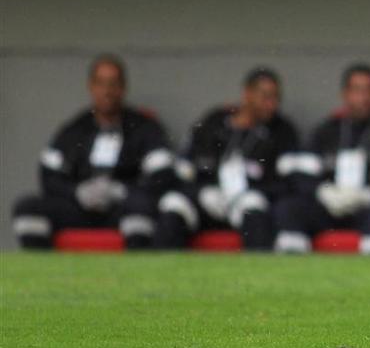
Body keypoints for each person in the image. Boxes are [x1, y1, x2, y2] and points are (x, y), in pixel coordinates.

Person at [12, 55, 175, 249]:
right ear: (90, 86)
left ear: (123, 87)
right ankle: (43, 268)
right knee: (28, 208)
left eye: (113, 84)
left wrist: (121, 191)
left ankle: (135, 268)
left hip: (123, 207)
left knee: (141, 208)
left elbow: (162, 175)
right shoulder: (74, 130)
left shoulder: (144, 128)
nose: (107, 91)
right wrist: (77, 192)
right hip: (79, 208)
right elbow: (49, 175)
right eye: (100, 83)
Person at [273, 64, 370, 255]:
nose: (363, 98)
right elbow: (302, 174)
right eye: (357, 90)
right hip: (331, 206)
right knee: (289, 207)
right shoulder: (328, 130)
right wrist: (323, 192)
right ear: (345, 94)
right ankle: (293, 261)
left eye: (368, 91)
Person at [154, 68, 299, 250]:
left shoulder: (282, 131)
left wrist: (246, 191)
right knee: (174, 203)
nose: (271, 104)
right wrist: (201, 192)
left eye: (276, 98)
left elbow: (285, 184)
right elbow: (185, 166)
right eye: (265, 97)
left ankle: (258, 267)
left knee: (254, 207)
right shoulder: (214, 122)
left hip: (248, 200)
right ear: (247, 93)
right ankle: (165, 265)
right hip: (207, 198)